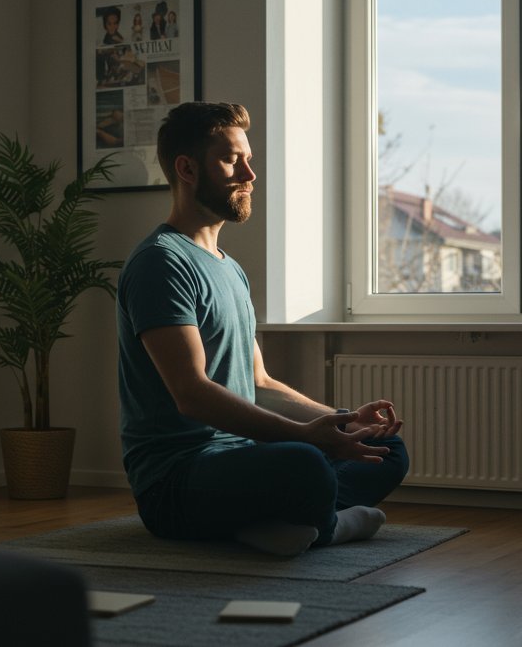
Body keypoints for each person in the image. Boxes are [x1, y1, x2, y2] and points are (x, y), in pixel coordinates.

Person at [117, 102, 409, 557]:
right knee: (304, 462)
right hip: (177, 483)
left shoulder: (229, 269)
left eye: (249, 159)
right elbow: (190, 393)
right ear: (187, 168)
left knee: (387, 448)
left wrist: (342, 422)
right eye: (233, 160)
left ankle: (279, 522)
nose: (250, 174)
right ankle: (330, 525)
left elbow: (260, 383)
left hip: (242, 463)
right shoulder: (161, 262)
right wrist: (308, 437)